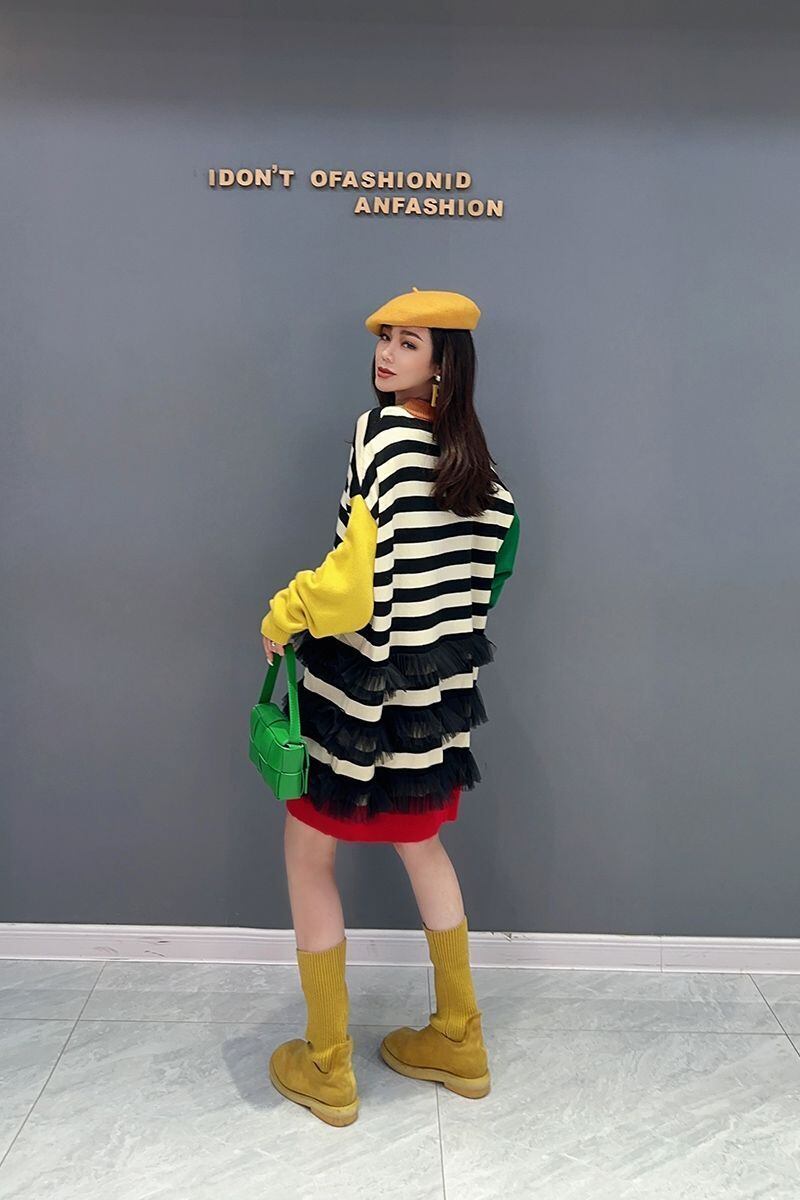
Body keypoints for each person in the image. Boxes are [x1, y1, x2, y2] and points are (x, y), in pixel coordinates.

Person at [260, 287, 520, 1126]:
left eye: (409, 343)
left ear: (443, 361)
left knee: (309, 853)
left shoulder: (380, 436)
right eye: (384, 339)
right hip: (433, 703)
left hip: (359, 697)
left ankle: (327, 1065)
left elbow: (351, 582)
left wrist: (284, 615)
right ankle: (460, 1039)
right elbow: (498, 560)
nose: (386, 354)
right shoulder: (477, 466)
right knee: (424, 847)